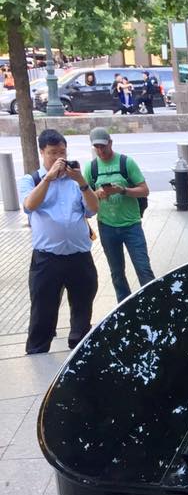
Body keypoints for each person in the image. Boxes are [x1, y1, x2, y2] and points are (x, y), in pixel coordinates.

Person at [18, 129, 100, 354]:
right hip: (47, 258)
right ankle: (38, 349)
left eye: (62, 152)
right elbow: (29, 205)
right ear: (42, 152)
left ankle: (79, 344)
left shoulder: (75, 180)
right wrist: (48, 178)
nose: (58, 158)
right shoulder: (32, 179)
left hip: (79, 255)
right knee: (43, 307)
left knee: (83, 302)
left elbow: (93, 209)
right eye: (52, 153)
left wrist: (82, 181)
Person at [84, 127, 154, 303]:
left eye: (103, 146)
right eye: (97, 147)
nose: (101, 151)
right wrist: (97, 194)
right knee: (116, 272)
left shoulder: (126, 163)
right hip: (107, 226)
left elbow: (144, 190)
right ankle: (124, 304)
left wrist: (122, 190)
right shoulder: (91, 168)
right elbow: (85, 196)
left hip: (131, 225)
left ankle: (153, 300)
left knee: (143, 268)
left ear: (110, 143)